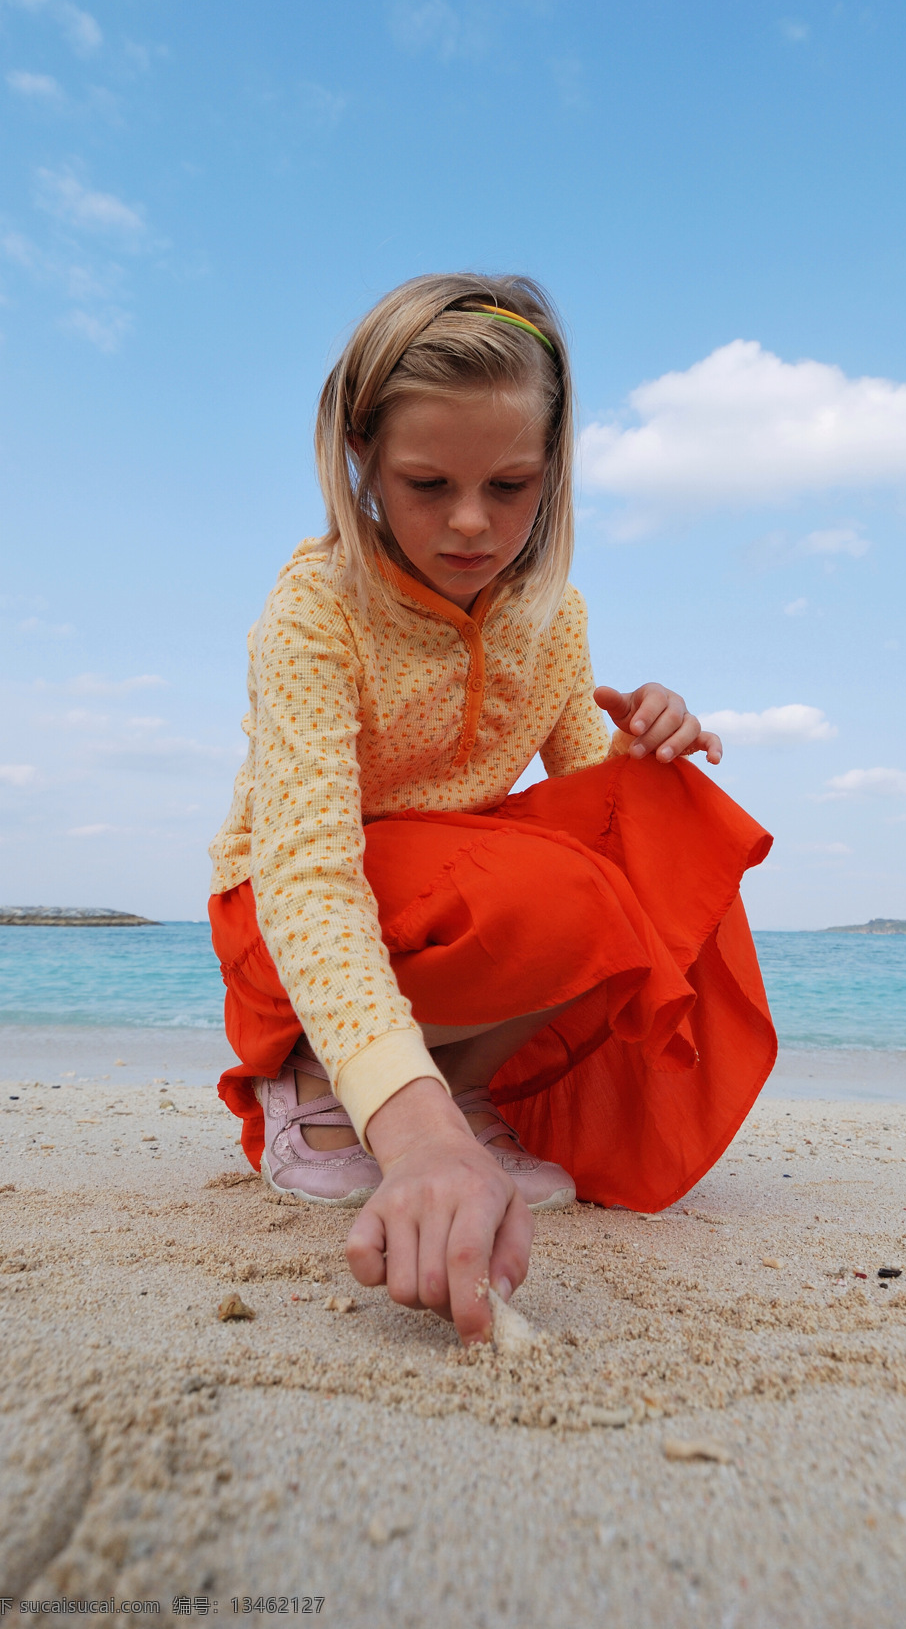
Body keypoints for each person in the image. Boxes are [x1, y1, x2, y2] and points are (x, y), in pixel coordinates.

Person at [208, 273, 776, 1346]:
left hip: (449, 907)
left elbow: (590, 817)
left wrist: (646, 753)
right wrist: (416, 1142)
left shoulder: (554, 619)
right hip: (290, 926)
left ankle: (452, 1086)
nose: (471, 523)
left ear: (553, 473)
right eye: (427, 485)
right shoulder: (314, 610)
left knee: (674, 820)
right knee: (557, 891)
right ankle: (334, 1086)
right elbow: (307, 871)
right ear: (362, 462)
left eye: (510, 486)